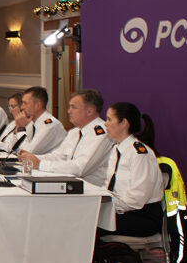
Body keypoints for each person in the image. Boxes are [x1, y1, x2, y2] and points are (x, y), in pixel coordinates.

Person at [18, 89, 113, 185]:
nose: (68, 111)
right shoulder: (74, 132)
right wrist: (32, 158)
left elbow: (80, 168)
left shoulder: (101, 134)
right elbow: (58, 156)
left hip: (91, 191)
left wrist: (39, 164)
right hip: (70, 185)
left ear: (89, 111)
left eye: (74, 107)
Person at [97, 102, 163, 238]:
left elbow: (136, 199)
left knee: (89, 224)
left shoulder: (140, 153)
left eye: (109, 119)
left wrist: (107, 207)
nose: (105, 124)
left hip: (142, 217)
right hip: (122, 211)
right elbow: (110, 186)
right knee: (84, 218)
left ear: (124, 123)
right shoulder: (116, 149)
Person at [16, 86, 66, 155]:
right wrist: (18, 127)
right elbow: (14, 147)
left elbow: (29, 152)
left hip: (51, 164)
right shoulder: (31, 123)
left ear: (38, 105)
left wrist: (21, 129)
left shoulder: (49, 125)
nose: (22, 107)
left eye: (25, 103)